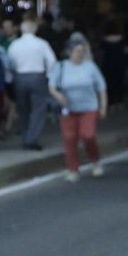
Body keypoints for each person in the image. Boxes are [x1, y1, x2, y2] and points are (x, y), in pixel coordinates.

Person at [51, 39, 110, 181]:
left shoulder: (90, 67)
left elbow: (101, 87)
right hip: (68, 109)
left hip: (89, 108)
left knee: (88, 135)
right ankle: (73, 169)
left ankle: (95, 161)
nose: (80, 54)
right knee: (69, 138)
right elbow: (51, 86)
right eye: (77, 51)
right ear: (69, 52)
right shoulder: (61, 67)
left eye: (82, 51)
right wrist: (58, 95)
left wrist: (103, 106)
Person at [6, 18, 59, 150]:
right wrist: (48, 74)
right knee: (38, 108)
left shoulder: (15, 44)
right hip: (38, 76)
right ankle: (32, 138)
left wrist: (13, 74)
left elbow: (9, 62)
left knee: (22, 108)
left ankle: (25, 137)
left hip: (20, 76)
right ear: (35, 29)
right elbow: (52, 61)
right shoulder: (42, 43)